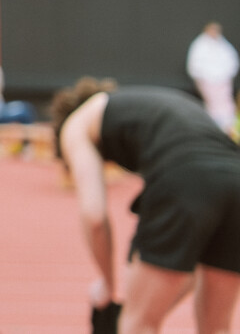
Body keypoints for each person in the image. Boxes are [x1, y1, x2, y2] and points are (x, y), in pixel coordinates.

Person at [53, 78, 240, 334]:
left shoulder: (76, 124)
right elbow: (187, 266)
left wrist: (107, 284)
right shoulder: (144, 109)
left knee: (137, 325)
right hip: (235, 177)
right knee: (217, 328)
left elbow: (94, 216)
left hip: (185, 177)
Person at [188, 23, 239, 131]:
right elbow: (195, 65)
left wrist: (224, 77)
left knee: (225, 104)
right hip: (207, 81)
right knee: (212, 105)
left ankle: (229, 126)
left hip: (223, 81)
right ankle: (213, 127)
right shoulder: (200, 46)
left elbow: (232, 62)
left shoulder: (223, 46)